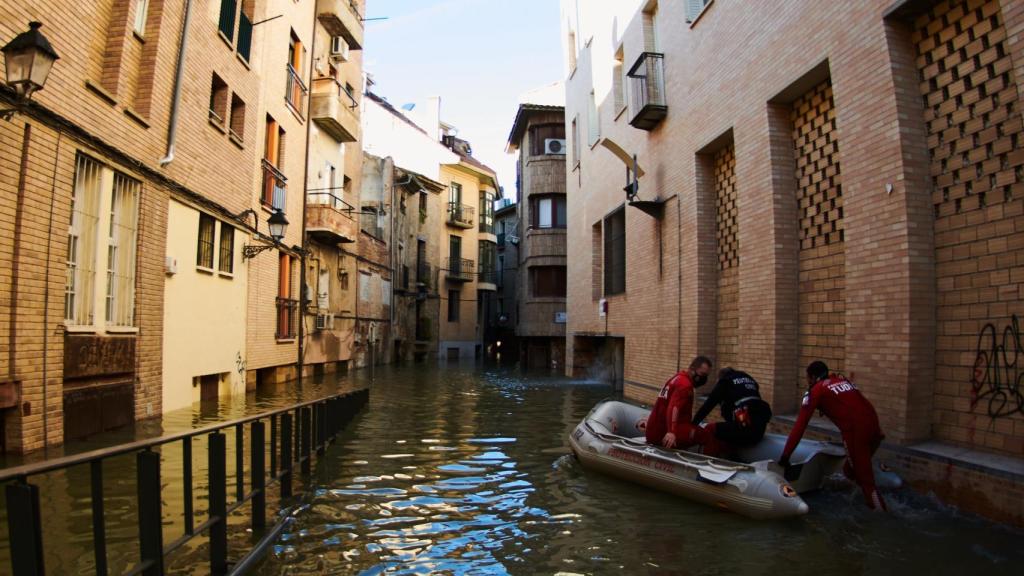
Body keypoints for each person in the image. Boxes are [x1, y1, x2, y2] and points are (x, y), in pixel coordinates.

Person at [779, 361, 887, 511]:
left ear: (812, 377)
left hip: (856, 431)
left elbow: (800, 426)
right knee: (850, 471)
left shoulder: (817, 390)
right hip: (875, 427)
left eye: (807, 378)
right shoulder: (842, 380)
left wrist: (785, 456)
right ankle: (855, 498)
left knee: (866, 480)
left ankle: (882, 517)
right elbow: (862, 404)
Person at [692, 367, 772, 457]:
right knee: (728, 429)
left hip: (744, 428)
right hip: (760, 431)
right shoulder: (748, 380)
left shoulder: (725, 381)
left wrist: (693, 424)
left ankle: (708, 462)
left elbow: (708, 405)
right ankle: (730, 455)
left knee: (710, 428)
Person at [645, 356, 713, 450]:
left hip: (654, 430)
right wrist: (671, 432)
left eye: (706, 376)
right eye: (702, 374)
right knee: (707, 436)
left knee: (691, 429)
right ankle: (711, 462)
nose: (703, 378)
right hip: (663, 432)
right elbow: (674, 407)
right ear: (692, 369)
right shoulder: (685, 385)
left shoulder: (677, 377)